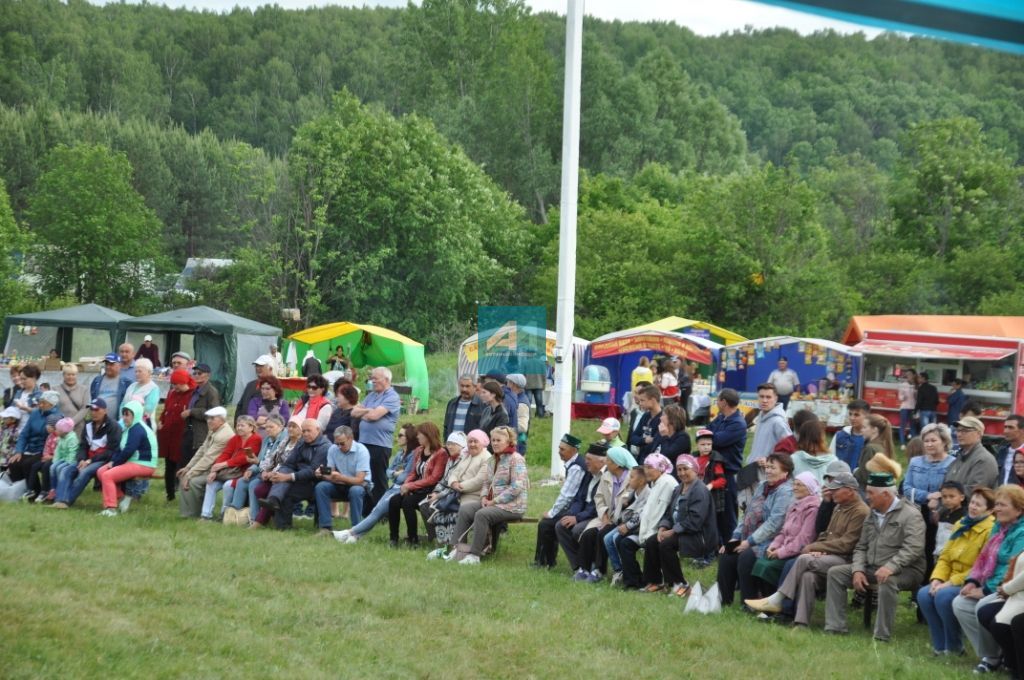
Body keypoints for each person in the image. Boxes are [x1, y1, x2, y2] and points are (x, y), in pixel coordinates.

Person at [745, 471, 869, 627]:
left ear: (850, 491)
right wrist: (820, 549)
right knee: (808, 577)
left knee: (802, 558)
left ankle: (778, 599)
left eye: (836, 489)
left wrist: (814, 547)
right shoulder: (839, 507)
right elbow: (825, 534)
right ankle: (800, 623)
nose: (832, 492)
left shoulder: (861, 511)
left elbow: (847, 544)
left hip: (846, 560)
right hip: (830, 556)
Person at [824, 471, 927, 642]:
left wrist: (890, 567)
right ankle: (835, 628)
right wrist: (857, 570)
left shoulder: (911, 515)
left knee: (887, 580)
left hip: (906, 570)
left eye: (871, 493)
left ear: (885, 494)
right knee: (836, 573)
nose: (867, 496)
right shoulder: (872, 514)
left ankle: (881, 635)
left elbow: (913, 548)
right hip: (873, 567)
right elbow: (861, 546)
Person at [950, 484, 1024, 673]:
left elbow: (1011, 568)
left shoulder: (1021, 532)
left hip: (1009, 588)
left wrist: (985, 590)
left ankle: (998, 656)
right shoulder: (999, 526)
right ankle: (990, 655)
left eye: (1003, 505)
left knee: (982, 606)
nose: (997, 508)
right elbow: (982, 558)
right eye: (996, 504)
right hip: (991, 583)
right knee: (960, 603)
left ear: (1019, 509)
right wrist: (972, 581)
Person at [916, 486, 996, 656]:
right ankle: (939, 646)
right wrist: (937, 579)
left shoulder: (990, 531)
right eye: (973, 502)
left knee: (943, 597)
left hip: (971, 581)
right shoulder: (961, 524)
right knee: (924, 594)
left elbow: (979, 568)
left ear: (989, 510)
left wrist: (949, 583)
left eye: (979, 505)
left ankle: (954, 647)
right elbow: (945, 557)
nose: (973, 507)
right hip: (948, 579)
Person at [718, 453, 795, 606]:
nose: (768, 471)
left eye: (773, 468)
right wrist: (736, 536)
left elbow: (774, 524)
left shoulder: (786, 491)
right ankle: (723, 601)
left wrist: (749, 542)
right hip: (748, 538)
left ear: (785, 472)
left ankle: (748, 603)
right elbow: (747, 513)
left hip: (770, 542)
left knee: (746, 556)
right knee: (727, 552)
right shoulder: (762, 486)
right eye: (767, 467)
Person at [451, 425, 529, 565]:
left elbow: (517, 487)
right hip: (492, 503)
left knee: (482, 514)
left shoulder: (516, 459)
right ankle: (457, 549)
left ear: (509, 441)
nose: (495, 443)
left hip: (512, 506)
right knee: (465, 509)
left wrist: (494, 501)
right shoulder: (492, 459)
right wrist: (483, 497)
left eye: (499, 440)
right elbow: (486, 482)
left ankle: (474, 556)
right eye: (493, 440)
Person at [642, 454, 718, 596]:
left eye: (685, 469)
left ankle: (680, 584)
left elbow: (695, 521)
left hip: (698, 536)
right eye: (679, 469)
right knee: (653, 541)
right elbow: (669, 513)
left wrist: (672, 532)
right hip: (682, 531)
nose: (682, 473)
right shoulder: (678, 489)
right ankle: (656, 582)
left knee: (666, 544)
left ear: (695, 470)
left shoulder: (700, 490)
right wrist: (662, 527)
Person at [334, 424, 418, 543]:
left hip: (402, 489)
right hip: (394, 487)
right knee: (376, 512)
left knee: (377, 512)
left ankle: (349, 533)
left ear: (409, 438)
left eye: (400, 435)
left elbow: (405, 477)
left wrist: (396, 474)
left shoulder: (413, 455)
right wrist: (396, 473)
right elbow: (388, 472)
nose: (397, 438)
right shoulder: (399, 453)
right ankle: (356, 537)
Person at [748, 472, 822, 596]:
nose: (795, 487)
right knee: (760, 561)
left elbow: (804, 539)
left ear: (809, 488)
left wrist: (780, 552)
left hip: (797, 553)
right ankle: (763, 598)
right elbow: (783, 531)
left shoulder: (813, 509)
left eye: (800, 485)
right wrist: (774, 545)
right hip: (784, 548)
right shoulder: (794, 505)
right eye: (794, 484)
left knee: (768, 567)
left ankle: (774, 602)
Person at [422, 429, 492, 555]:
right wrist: (453, 483)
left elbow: (479, 480)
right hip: (457, 492)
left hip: (474, 495)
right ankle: (446, 544)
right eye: (470, 441)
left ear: (483, 443)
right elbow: (454, 474)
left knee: (458, 511)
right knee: (436, 508)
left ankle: (458, 546)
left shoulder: (487, 458)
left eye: (475, 441)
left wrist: (460, 486)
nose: (472, 444)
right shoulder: (467, 456)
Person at [617, 452, 678, 590]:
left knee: (634, 543)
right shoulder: (657, 482)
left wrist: (647, 534)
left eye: (650, 467)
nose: (647, 471)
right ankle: (634, 580)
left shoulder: (667, 482)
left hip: (660, 529)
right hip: (648, 529)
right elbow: (647, 511)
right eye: (645, 467)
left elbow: (660, 512)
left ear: (661, 467)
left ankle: (647, 581)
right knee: (623, 542)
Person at [259, 418, 332, 529]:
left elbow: (312, 471)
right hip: (299, 478)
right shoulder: (302, 442)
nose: (305, 434)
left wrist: (288, 477)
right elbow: (289, 463)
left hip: (315, 482)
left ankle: (275, 503)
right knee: (284, 472)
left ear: (318, 430)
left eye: (309, 431)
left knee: (286, 488)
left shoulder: (325, 446)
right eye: (303, 431)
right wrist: (278, 474)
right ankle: (280, 518)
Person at [387, 422, 449, 547]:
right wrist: (406, 484)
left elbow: (433, 478)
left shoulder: (441, 453)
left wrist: (410, 486)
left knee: (407, 502)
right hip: (416, 488)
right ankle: (393, 538)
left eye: (420, 435)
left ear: (428, 435)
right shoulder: (419, 450)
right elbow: (414, 472)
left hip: (431, 490)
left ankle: (413, 539)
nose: (418, 437)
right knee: (393, 501)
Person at [52, 398, 122, 508]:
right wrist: (82, 459)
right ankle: (59, 500)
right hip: (87, 458)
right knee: (67, 470)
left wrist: (90, 461)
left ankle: (66, 501)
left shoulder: (114, 426)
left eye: (96, 409)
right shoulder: (88, 425)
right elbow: (83, 446)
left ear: (105, 410)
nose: (93, 412)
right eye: (91, 409)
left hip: (103, 460)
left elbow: (111, 451)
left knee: (84, 472)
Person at [903, 422, 955, 567]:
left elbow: (951, 490)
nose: (929, 444)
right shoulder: (915, 462)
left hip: (940, 513)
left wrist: (939, 498)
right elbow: (906, 488)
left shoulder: (952, 463)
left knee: (934, 547)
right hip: (916, 512)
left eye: (933, 440)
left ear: (944, 442)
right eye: (926, 441)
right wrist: (927, 496)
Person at [556, 443, 612, 579]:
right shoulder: (588, 472)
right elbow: (579, 497)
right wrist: (572, 514)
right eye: (585, 458)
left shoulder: (606, 476)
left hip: (597, 515)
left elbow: (597, 505)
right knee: (560, 525)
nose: (585, 462)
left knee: (577, 529)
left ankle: (589, 565)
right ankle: (579, 566)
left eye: (589, 459)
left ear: (601, 461)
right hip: (583, 512)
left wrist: (577, 518)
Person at [532, 433, 588, 569]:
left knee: (546, 524)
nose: (559, 452)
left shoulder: (576, 467)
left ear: (573, 450)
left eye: (563, 449)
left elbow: (566, 496)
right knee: (548, 523)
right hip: (577, 507)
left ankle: (544, 562)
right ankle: (547, 561)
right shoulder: (575, 462)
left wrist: (552, 513)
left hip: (580, 510)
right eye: (559, 448)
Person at [94, 400, 158, 516]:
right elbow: (120, 449)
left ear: (136, 414)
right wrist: (113, 461)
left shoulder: (137, 429)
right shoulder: (130, 428)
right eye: (123, 414)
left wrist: (114, 464)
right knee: (101, 471)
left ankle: (111, 509)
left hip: (144, 464)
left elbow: (128, 451)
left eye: (127, 415)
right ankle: (120, 497)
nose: (124, 418)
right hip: (134, 462)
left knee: (107, 475)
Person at [351, 367, 401, 514]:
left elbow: (374, 416)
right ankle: (367, 512)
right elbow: (354, 412)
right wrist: (368, 410)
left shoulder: (392, 396)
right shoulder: (371, 396)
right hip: (364, 443)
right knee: (365, 478)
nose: (372, 381)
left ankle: (382, 513)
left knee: (379, 481)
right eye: (371, 378)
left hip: (379, 444)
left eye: (375, 378)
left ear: (386, 380)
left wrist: (366, 412)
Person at [739, 383, 792, 509]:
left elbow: (790, 449)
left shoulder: (778, 421)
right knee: (749, 511)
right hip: (753, 472)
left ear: (776, 398)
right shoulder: (762, 416)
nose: (764, 400)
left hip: (766, 475)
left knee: (760, 513)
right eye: (761, 396)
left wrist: (770, 460)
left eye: (768, 397)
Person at [199, 415, 261, 521]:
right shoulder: (235, 439)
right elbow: (225, 453)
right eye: (238, 425)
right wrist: (215, 469)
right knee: (211, 483)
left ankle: (225, 514)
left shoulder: (256, 439)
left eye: (242, 425)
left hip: (243, 473)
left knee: (228, 486)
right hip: (229, 472)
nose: (239, 428)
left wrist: (225, 464)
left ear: (251, 427)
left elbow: (245, 458)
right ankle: (206, 515)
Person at [313, 425, 371, 535]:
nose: (339, 446)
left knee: (355, 490)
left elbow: (360, 480)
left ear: (351, 438)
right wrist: (321, 473)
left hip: (360, 485)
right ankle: (325, 528)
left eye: (342, 443)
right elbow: (330, 473)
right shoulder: (333, 449)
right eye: (337, 443)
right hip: (340, 484)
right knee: (321, 487)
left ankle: (356, 529)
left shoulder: (362, 451)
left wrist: (340, 477)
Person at [177, 407, 234, 518]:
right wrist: (188, 468)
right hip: (209, 468)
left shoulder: (224, 435)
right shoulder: (215, 429)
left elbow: (208, 458)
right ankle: (186, 513)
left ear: (222, 420)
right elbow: (202, 450)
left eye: (212, 418)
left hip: (220, 471)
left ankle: (194, 514)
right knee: (183, 476)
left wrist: (190, 474)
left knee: (193, 481)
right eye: (208, 418)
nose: (209, 421)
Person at [229, 414, 287, 521]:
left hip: (273, 473)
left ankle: (254, 518)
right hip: (261, 470)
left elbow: (278, 462)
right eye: (266, 427)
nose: (268, 430)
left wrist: (258, 463)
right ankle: (234, 514)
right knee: (242, 481)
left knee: (253, 484)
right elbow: (260, 459)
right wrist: (251, 469)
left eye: (271, 427)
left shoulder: (284, 440)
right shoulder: (267, 440)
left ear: (281, 427)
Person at [708, 388, 748, 542]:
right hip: (716, 471)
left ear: (724, 402)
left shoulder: (738, 423)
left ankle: (729, 546)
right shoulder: (721, 417)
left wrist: (710, 438)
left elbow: (716, 440)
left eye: (718, 400)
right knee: (715, 510)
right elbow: (707, 432)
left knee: (728, 512)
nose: (716, 402)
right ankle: (717, 544)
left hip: (729, 473)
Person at [249, 416, 302, 528]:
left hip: (289, 476)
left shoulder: (301, 444)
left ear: (300, 429)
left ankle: (258, 522)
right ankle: (273, 516)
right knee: (259, 490)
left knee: (266, 491)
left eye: (294, 427)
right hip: (274, 473)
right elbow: (272, 458)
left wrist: (273, 473)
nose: (291, 429)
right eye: (290, 426)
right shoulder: (286, 440)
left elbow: (288, 464)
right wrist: (264, 470)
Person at [8, 390, 61, 500]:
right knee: (14, 462)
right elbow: (24, 434)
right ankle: (20, 489)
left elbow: (58, 439)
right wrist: (19, 451)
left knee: (28, 464)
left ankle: (35, 491)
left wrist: (51, 455)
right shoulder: (35, 413)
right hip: (30, 448)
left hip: (45, 450)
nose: (40, 405)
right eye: (40, 402)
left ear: (52, 404)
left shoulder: (57, 417)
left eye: (44, 403)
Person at [982, 542, 1024, 678]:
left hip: (1015, 592)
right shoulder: (998, 533)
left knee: (1010, 624)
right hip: (1015, 593)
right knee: (985, 612)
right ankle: (1007, 662)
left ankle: (1015, 667)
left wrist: (1006, 588)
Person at [604, 460, 648, 586]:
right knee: (607, 538)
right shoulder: (633, 493)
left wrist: (627, 526)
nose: (629, 480)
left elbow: (641, 515)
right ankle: (619, 570)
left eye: (632, 477)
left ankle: (628, 573)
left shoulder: (648, 494)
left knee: (617, 538)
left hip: (637, 529)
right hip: (626, 525)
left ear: (641, 481)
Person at [158, 369, 195, 501]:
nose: (175, 387)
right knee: (169, 465)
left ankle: (186, 494)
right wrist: (161, 421)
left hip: (183, 435)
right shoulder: (172, 393)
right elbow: (166, 410)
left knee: (183, 464)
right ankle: (170, 494)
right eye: (173, 384)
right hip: (169, 435)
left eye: (178, 384)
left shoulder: (193, 394)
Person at [946, 416, 1000, 497]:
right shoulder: (960, 457)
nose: (959, 434)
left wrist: (945, 494)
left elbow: (975, 492)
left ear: (978, 434)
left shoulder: (984, 459)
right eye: (958, 430)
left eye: (965, 431)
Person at [181, 363, 220, 468]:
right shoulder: (195, 390)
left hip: (201, 434)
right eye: (195, 373)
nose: (196, 375)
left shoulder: (212, 392)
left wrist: (192, 412)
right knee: (184, 462)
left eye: (200, 373)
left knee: (195, 464)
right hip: (189, 431)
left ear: (208, 375)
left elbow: (214, 414)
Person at [852, 413, 896, 490]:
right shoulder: (884, 447)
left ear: (874, 430)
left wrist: (855, 472)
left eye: (864, 427)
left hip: (866, 491)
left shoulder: (870, 448)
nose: (861, 430)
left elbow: (866, 476)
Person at [829, 399, 871, 472]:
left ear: (867, 416)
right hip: (841, 478)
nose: (852, 418)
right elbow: (830, 458)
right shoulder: (840, 435)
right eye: (850, 414)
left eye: (856, 415)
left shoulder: (871, 438)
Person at [790, 419, 837, 485]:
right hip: (823, 494)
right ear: (822, 437)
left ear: (801, 437)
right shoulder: (833, 460)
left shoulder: (793, 459)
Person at [234, 355, 275, 426]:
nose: (257, 368)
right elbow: (240, 406)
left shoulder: (274, 387)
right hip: (244, 427)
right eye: (256, 366)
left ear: (270, 369)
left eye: (261, 366)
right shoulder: (250, 385)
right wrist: (236, 424)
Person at [628, 384, 664, 459]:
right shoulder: (646, 416)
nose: (640, 403)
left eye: (642, 400)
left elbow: (656, 442)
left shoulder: (663, 418)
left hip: (654, 460)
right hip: (641, 457)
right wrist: (644, 440)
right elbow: (633, 438)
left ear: (653, 400)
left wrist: (640, 441)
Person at [121, 358, 159, 425]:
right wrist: (122, 418)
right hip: (124, 423)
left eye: (140, 371)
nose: (137, 374)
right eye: (135, 371)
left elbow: (148, 410)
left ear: (149, 372)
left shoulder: (153, 389)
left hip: (142, 425)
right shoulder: (132, 386)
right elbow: (123, 404)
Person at [443, 375, 482, 440]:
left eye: (467, 386)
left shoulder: (481, 405)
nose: (464, 389)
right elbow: (446, 426)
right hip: (452, 445)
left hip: (471, 445)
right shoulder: (452, 403)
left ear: (475, 387)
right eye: (462, 386)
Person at [55, 364, 90, 436]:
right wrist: (63, 425)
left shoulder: (84, 389)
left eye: (73, 374)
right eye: (68, 374)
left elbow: (85, 408)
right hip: (61, 429)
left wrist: (71, 423)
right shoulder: (55, 389)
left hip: (79, 428)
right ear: (63, 375)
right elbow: (54, 408)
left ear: (77, 375)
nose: (71, 377)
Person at [506, 373, 531, 454]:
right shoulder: (517, 398)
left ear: (513, 384)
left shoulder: (521, 403)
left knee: (516, 466)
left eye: (508, 382)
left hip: (518, 444)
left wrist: (506, 427)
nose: (507, 385)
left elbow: (523, 427)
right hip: (515, 442)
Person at [997, 415, 1024, 486]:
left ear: (1022, 430)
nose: (1006, 431)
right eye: (1005, 427)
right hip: (1001, 494)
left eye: (1011, 427)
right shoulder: (1002, 451)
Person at [898, 369, 918, 446]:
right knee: (903, 425)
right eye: (907, 374)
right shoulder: (903, 384)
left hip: (913, 407)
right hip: (905, 407)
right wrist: (904, 396)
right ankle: (902, 443)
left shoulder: (916, 385)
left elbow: (917, 398)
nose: (908, 376)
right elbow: (900, 398)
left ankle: (913, 443)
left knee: (913, 425)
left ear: (913, 375)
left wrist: (915, 391)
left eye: (910, 374)